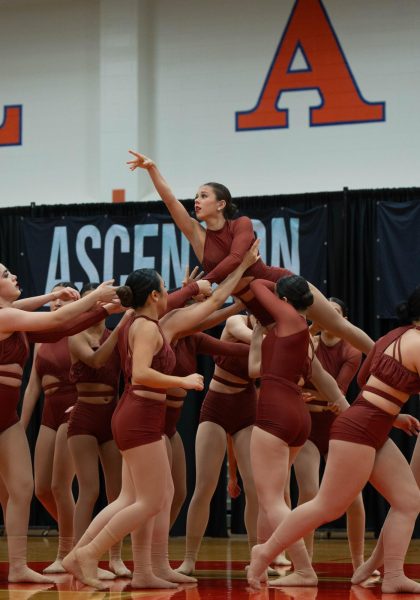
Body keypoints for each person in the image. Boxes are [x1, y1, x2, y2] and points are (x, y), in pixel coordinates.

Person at [61, 243, 260, 590]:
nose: (170, 294)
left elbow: (213, 305)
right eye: (166, 289)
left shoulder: (151, 323)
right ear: (154, 295)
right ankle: (89, 553)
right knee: (151, 499)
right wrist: (181, 379)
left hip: (141, 414)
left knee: (141, 496)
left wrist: (241, 271)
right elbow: (140, 374)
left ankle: (141, 569)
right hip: (139, 413)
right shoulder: (146, 328)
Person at [247, 286, 420, 593]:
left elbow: (366, 380)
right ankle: (266, 551)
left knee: (408, 502)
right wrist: (386, 413)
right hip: (361, 430)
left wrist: (392, 415)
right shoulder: (417, 342)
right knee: (329, 506)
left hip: (369, 424)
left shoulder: (392, 337)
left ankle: (392, 574)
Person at [127, 151, 373, 354]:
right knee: (305, 363)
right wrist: (152, 170)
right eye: (195, 197)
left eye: (203, 196)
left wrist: (206, 282)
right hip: (254, 303)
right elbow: (171, 202)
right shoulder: (197, 234)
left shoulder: (242, 223)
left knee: (338, 325)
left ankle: (385, 360)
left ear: (221, 204)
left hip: (280, 285)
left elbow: (236, 260)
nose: (196, 201)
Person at [0, 266, 116, 583]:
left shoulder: (10, 311)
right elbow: (54, 322)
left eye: (11, 271)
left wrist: (55, 295)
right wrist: (97, 300)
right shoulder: (4, 318)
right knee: (24, 490)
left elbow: (54, 324)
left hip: (6, 418)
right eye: (4, 275)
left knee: (21, 490)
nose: (13, 276)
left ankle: (19, 566)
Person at [176, 313, 259, 575]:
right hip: (217, 405)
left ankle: (257, 558)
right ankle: (189, 559)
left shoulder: (272, 331)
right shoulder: (237, 322)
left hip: (247, 407)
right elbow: (252, 338)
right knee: (204, 487)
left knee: (255, 489)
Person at [293, 297, 366, 570]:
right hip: (309, 426)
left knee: (353, 497)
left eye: (335, 312)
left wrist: (309, 392)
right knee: (309, 492)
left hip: (338, 427)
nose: (328, 316)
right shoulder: (309, 344)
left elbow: (337, 388)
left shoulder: (352, 350)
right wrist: (303, 391)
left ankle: (359, 563)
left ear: (343, 320)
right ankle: (305, 563)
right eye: (324, 312)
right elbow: (295, 380)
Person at [67, 282, 130, 578]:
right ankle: (77, 554)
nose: (101, 308)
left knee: (117, 492)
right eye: (96, 303)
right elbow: (95, 359)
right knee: (89, 489)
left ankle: (115, 557)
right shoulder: (75, 335)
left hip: (111, 415)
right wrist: (121, 327)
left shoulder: (114, 334)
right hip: (84, 416)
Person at [20, 281, 80, 574]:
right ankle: (81, 536)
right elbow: (32, 386)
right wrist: (20, 425)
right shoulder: (43, 337)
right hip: (49, 411)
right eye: (54, 301)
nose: (56, 305)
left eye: (63, 299)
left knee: (60, 485)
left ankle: (66, 551)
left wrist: (85, 405)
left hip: (73, 409)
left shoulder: (79, 332)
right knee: (41, 487)